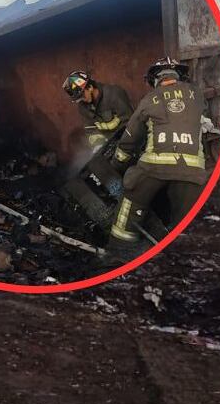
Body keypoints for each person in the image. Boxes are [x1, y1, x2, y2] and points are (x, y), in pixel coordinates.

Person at [106, 57, 210, 263]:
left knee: (131, 201)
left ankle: (118, 253)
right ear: (179, 76)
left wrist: (117, 164)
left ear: (155, 79)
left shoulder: (150, 99)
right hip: (193, 172)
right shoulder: (198, 95)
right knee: (183, 225)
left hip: (153, 168)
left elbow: (130, 138)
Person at [63, 70, 133, 149]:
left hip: (127, 142)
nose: (81, 100)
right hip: (109, 145)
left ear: (90, 87)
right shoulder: (83, 107)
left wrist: (123, 145)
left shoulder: (114, 94)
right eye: (78, 99)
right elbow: (91, 131)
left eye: (81, 96)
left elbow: (130, 123)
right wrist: (98, 145)